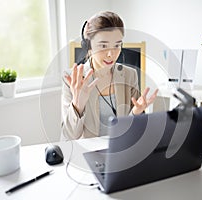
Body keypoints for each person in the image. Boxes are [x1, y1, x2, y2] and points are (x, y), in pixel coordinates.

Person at [62, 11, 158, 140]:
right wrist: (77, 105)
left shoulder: (130, 75)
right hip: (88, 154)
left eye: (117, 45)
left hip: (121, 150)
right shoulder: (72, 80)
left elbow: (132, 131)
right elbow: (70, 136)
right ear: (89, 45)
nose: (111, 54)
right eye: (103, 46)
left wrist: (136, 113)